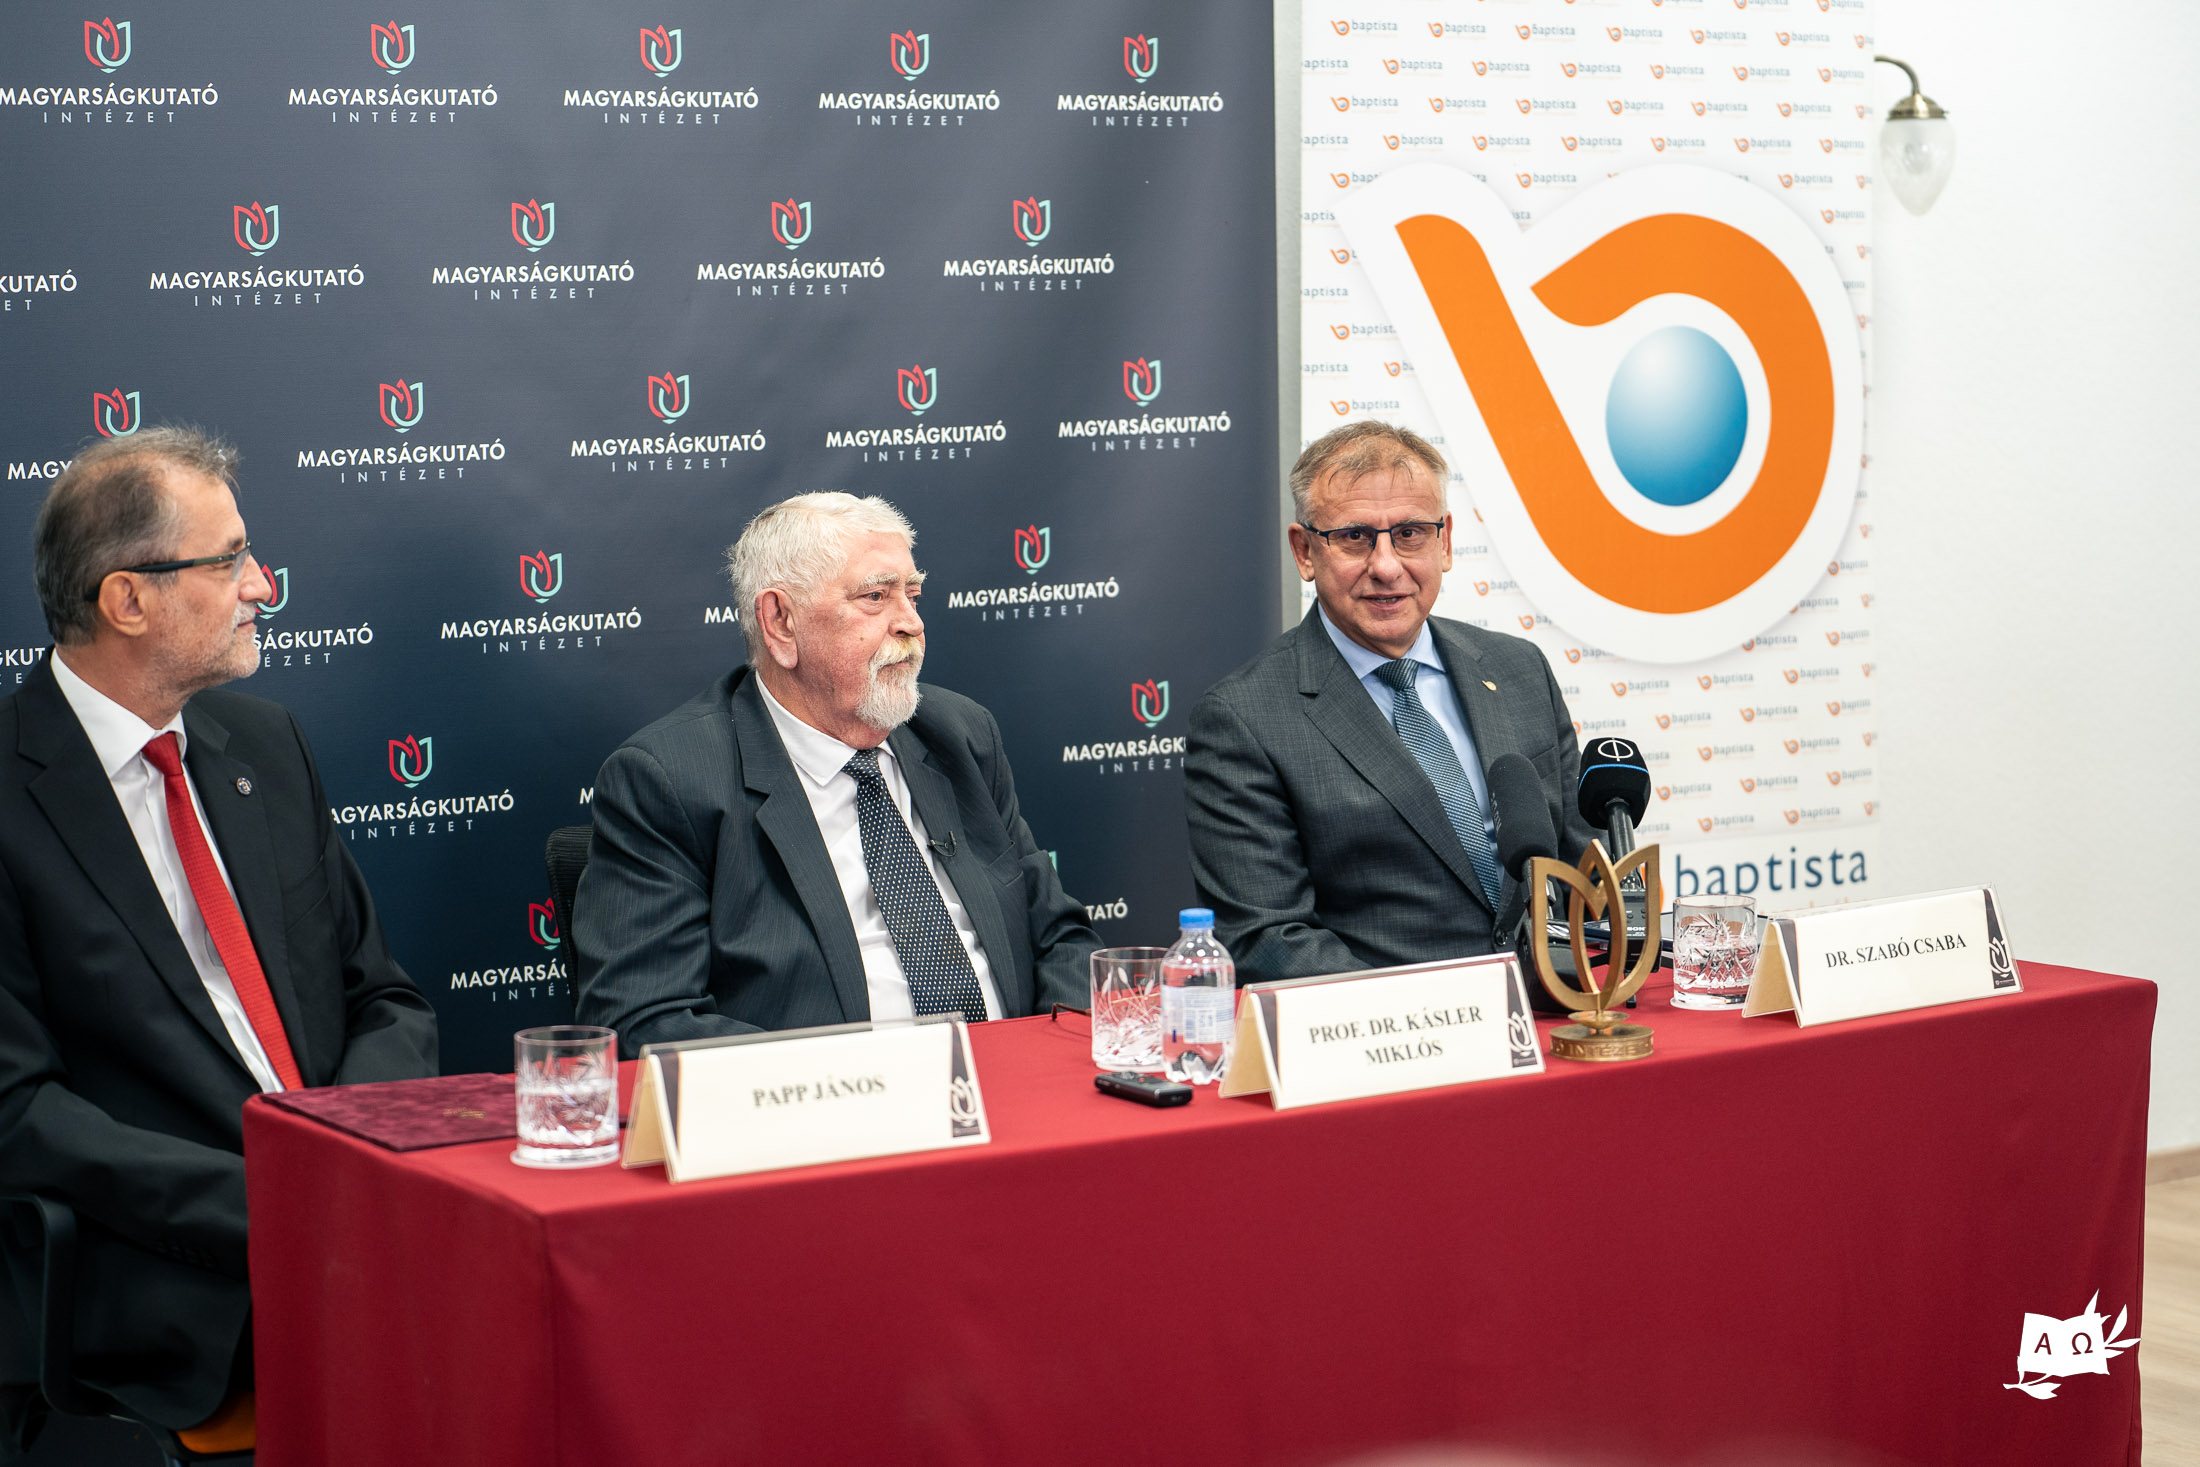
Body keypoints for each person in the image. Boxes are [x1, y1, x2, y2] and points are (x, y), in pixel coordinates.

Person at [0, 428, 438, 1454]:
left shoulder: (268, 747)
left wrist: (347, 1158)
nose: (262, 585)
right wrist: (277, 1200)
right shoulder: (12, 798)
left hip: (359, 1225)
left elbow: (383, 998)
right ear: (128, 599)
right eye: (230, 558)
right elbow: (18, 1112)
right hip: (171, 1279)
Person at [575, 492, 1099, 1052]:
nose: (912, 623)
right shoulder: (670, 778)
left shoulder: (960, 734)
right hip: (829, 1098)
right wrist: (854, 1082)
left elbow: (1059, 939)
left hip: (1012, 1081)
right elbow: (647, 1018)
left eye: (912, 594)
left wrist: (1052, 1061)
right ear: (781, 622)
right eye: (876, 597)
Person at [1185, 421, 1597, 985]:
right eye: (1355, 537)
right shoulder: (1244, 719)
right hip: (1391, 1032)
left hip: (1554, 1013)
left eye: (1409, 533)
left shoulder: (1519, 669)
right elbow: (1267, 939)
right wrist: (1445, 1013)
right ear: (1304, 552)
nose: (1385, 565)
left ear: (1444, 542)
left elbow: (1582, 871)